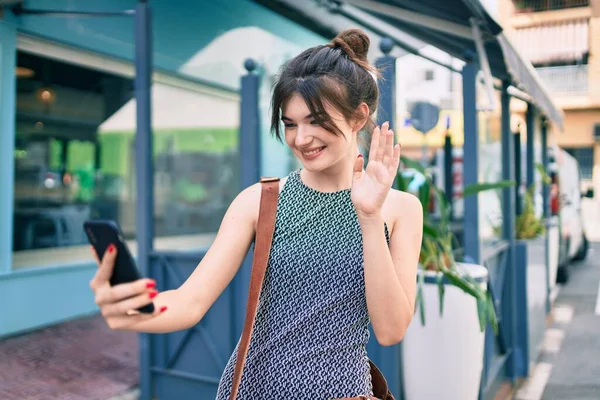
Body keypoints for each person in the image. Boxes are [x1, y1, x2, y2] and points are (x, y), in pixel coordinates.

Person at [89, 29, 423, 399]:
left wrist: (369, 217)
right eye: (290, 123)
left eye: (315, 120)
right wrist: (137, 310)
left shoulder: (400, 209)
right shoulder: (261, 200)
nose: (300, 138)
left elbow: (391, 331)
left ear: (359, 117)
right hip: (256, 389)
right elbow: (190, 302)